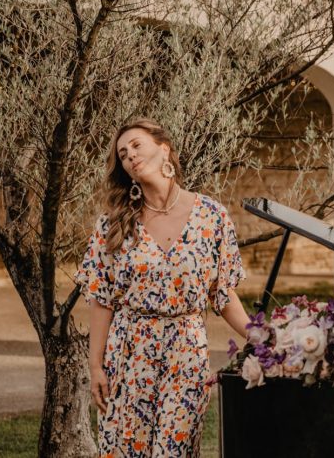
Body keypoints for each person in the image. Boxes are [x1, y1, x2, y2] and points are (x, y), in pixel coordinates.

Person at [75, 118, 250, 457]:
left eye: (136, 145)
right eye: (123, 154)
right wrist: (96, 366)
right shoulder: (113, 224)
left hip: (186, 353)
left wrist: (261, 336)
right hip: (129, 353)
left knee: (175, 450)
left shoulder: (211, 215)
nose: (130, 156)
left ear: (164, 148)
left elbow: (223, 294)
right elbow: (102, 300)